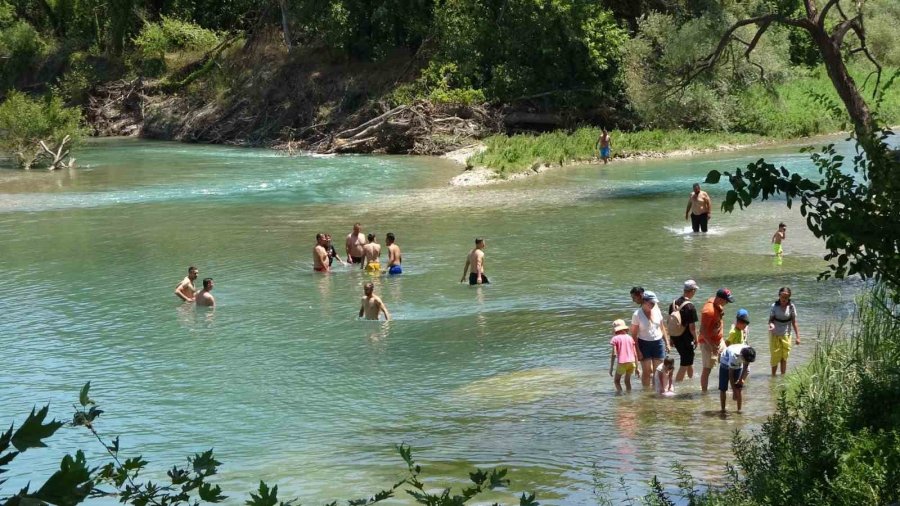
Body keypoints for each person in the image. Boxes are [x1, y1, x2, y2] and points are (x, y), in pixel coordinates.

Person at [631, 290, 670, 387]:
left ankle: (656, 391)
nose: (653, 304)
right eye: (651, 303)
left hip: (658, 343)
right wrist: (638, 351)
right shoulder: (637, 314)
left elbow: (662, 328)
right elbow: (634, 335)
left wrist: (667, 342)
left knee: (658, 371)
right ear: (644, 301)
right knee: (647, 372)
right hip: (644, 344)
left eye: (654, 303)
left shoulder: (657, 311)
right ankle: (646, 393)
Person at [699, 288, 734, 392]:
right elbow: (702, 331)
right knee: (707, 369)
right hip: (708, 343)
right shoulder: (708, 311)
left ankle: (726, 388)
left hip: (719, 340)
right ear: (719, 299)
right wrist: (712, 346)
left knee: (728, 362)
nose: (727, 303)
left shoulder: (716, 303)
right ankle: (704, 393)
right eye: (726, 301)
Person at [668, 280, 700, 382]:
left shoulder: (673, 304)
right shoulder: (690, 306)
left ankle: (691, 380)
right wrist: (696, 339)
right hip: (686, 339)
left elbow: (670, 323)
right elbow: (692, 328)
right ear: (693, 291)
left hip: (675, 337)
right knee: (685, 363)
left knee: (688, 360)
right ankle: (677, 385)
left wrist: (671, 338)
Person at [768, 286, 801, 375]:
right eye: (782, 296)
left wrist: (798, 337)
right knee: (775, 356)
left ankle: (783, 377)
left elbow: (794, 322)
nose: (784, 299)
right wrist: (771, 325)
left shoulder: (791, 307)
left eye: (786, 297)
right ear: (779, 296)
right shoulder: (774, 306)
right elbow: (770, 321)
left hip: (786, 334)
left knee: (784, 356)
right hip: (775, 333)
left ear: (789, 297)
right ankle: (773, 377)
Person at [719, 344, 756, 414]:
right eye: (746, 360)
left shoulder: (749, 352)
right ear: (742, 356)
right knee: (723, 388)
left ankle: (739, 411)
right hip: (725, 361)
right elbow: (730, 374)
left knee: (738, 388)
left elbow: (746, 366)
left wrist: (741, 380)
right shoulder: (734, 357)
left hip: (738, 361)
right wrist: (734, 391)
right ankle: (723, 410)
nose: (747, 362)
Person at [609, 319, 638, 393]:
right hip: (632, 362)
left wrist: (611, 367)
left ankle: (620, 396)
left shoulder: (615, 339)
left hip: (622, 363)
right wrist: (637, 368)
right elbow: (635, 353)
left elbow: (614, 354)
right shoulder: (630, 338)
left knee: (616, 381)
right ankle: (629, 396)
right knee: (627, 381)